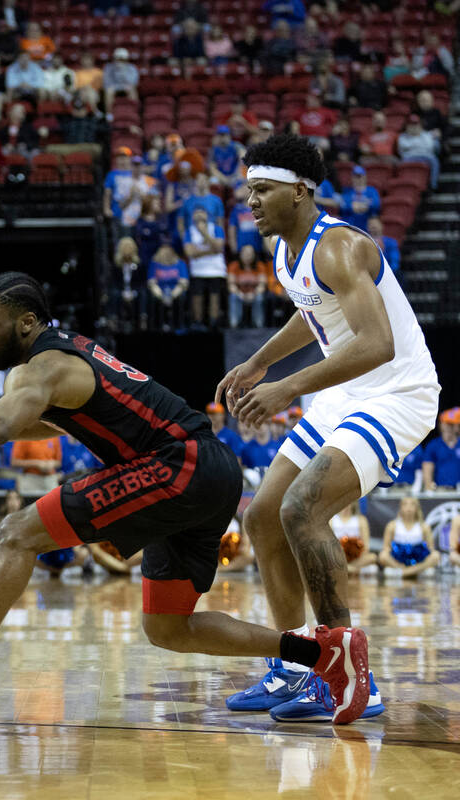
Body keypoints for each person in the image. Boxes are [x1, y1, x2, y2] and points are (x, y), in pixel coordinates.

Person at [0, 271, 372, 732]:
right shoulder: (61, 354)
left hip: (179, 466)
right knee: (167, 627)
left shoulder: (42, 366)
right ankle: (320, 653)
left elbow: (1, 425)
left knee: (15, 534)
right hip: (207, 471)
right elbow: (30, 420)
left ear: (27, 323)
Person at [217, 133, 437, 722]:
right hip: (347, 392)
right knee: (263, 513)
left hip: (396, 391)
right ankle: (295, 667)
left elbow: (376, 342)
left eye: (262, 190)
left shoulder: (338, 245)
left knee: (302, 510)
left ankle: (348, 673)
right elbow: (313, 307)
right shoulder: (288, 252)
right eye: (249, 192)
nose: (252, 203)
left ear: (301, 190)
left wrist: (288, 386)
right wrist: (262, 359)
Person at [377, 496, 439, 577]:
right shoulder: (392, 525)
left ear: (417, 508)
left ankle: (407, 572)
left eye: (412, 504)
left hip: (418, 560)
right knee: (382, 555)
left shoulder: (424, 526)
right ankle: (407, 571)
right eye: (405, 504)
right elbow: (386, 547)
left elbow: (431, 548)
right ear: (401, 507)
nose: (408, 508)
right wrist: (395, 560)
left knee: (436, 555)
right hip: (398, 560)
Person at [227, 244, 268, 328]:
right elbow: (231, 285)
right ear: (240, 254)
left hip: (254, 294)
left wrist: (253, 294)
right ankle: (234, 324)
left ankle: (258, 324)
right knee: (233, 297)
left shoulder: (260, 266)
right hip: (239, 294)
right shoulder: (234, 266)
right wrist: (240, 294)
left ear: (254, 255)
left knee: (259, 298)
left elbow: (262, 285)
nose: (248, 256)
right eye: (245, 254)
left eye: (250, 254)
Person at [330, 501, 375, 575]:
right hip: (338, 556)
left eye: (348, 503)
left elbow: (366, 546)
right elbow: (329, 545)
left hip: (356, 557)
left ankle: (346, 568)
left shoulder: (361, 520)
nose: (345, 506)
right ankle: (351, 569)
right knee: (327, 558)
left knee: (372, 557)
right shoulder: (332, 520)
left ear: (353, 504)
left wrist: (356, 552)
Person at [422, 407, 460, 490]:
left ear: (457, 426)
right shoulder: (434, 445)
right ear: (441, 424)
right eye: (446, 423)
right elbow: (427, 466)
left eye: (451, 424)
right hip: (441, 488)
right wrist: (429, 486)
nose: (448, 427)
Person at [338, 165, 380, 230]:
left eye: (360, 176)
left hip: (367, 226)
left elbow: (376, 204)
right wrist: (351, 206)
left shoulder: (371, 191)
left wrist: (364, 206)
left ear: (365, 177)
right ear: (352, 178)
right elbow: (343, 205)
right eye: (355, 177)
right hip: (350, 226)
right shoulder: (347, 191)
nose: (358, 179)